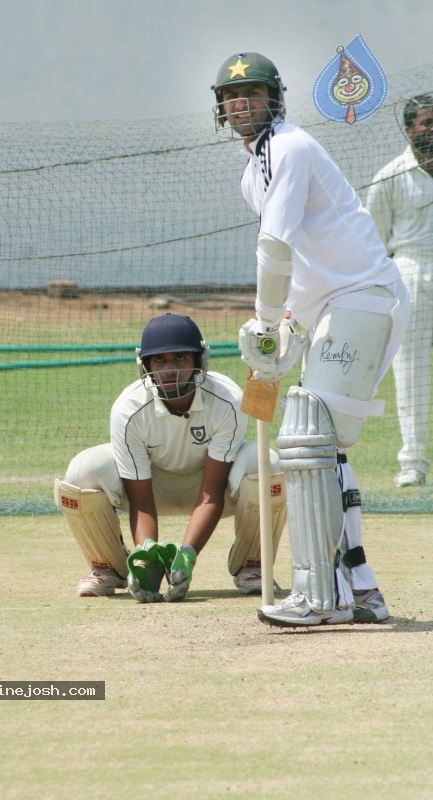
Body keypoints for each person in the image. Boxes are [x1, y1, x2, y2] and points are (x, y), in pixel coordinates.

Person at [211, 51, 410, 627]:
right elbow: (301, 264)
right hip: (335, 304)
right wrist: (288, 332)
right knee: (323, 443)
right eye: (231, 96)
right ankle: (361, 591)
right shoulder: (254, 169)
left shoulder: (290, 147)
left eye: (252, 92)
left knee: (310, 436)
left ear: (275, 97)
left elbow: (274, 247)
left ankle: (321, 597)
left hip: (365, 296)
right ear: (220, 108)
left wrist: (265, 321)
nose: (241, 103)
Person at [54, 313, 287, 603]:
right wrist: (147, 557)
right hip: (152, 488)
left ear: (200, 360)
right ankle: (109, 567)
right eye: (160, 360)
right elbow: (141, 501)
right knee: (81, 471)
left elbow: (211, 494)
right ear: (145, 364)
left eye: (180, 357)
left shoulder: (227, 399)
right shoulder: (128, 409)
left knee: (268, 462)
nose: (170, 369)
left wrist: (187, 555)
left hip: (214, 488)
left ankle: (253, 565)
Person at [366, 93, 433, 488]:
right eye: (426, 122)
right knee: (409, 370)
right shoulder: (389, 176)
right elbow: (374, 241)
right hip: (411, 269)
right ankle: (413, 462)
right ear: (409, 129)